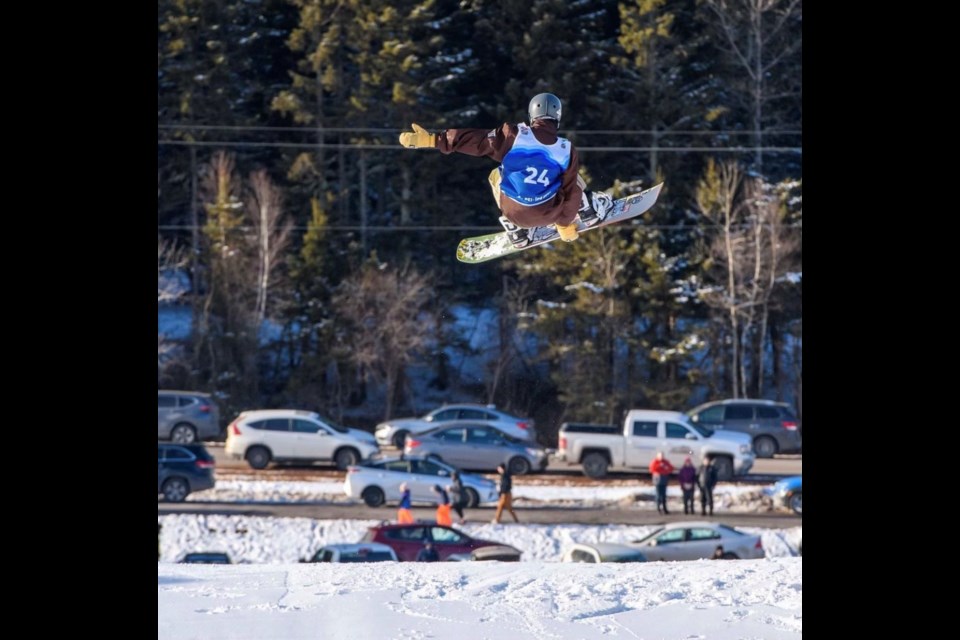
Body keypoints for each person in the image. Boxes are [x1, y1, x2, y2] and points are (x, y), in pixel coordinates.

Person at [398, 93, 614, 248]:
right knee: (573, 181)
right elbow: (570, 192)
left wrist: (435, 140)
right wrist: (565, 225)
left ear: (532, 116)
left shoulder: (514, 135)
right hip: (551, 212)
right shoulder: (565, 148)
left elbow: (477, 141)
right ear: (557, 117)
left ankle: (516, 231)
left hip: (514, 212)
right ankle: (588, 213)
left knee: (496, 175)